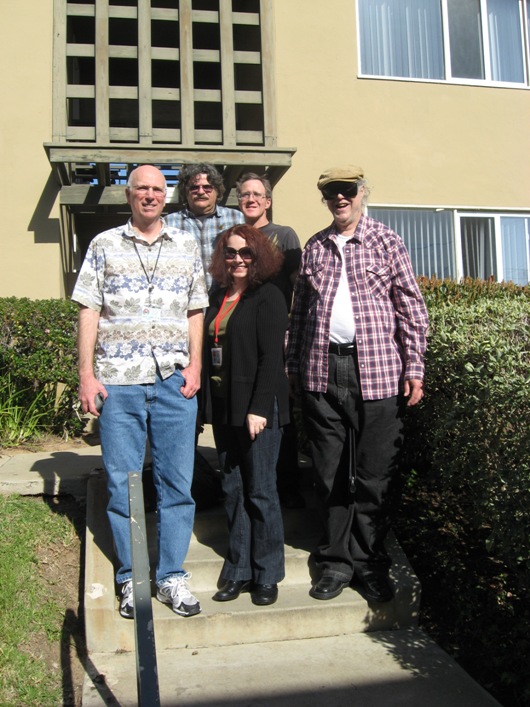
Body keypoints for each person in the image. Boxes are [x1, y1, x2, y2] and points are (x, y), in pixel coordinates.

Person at [286, 166, 429, 604]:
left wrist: (415, 367)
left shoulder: (387, 241)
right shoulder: (315, 247)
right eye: (331, 193)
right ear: (326, 200)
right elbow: (298, 314)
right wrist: (294, 368)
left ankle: (367, 563)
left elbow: (410, 306)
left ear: (362, 193)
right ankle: (334, 563)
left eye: (347, 191)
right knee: (329, 475)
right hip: (321, 371)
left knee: (373, 476)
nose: (340, 199)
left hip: (380, 373)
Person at [72, 165, 209, 619]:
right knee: (123, 484)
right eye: (141, 189)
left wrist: (195, 366)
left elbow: (195, 311)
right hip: (119, 382)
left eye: (156, 189)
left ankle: (171, 576)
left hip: (173, 382)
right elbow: (89, 311)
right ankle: (132, 578)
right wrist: (87, 375)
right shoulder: (104, 245)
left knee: (176, 484)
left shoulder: (186, 246)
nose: (149, 196)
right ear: (128, 195)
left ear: (164, 198)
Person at [202, 224, 290, 606]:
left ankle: (267, 573)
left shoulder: (268, 296)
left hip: (258, 407)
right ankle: (238, 569)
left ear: (258, 257)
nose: (237, 259)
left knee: (260, 490)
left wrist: (258, 409)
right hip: (226, 406)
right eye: (230, 253)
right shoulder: (217, 295)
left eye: (245, 253)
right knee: (233, 488)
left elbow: (273, 357)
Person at [236, 172, 305, 509]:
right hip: (243, 336)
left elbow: (298, 282)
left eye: (257, 194)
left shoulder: (284, 235)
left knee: (280, 408)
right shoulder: (234, 238)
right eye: (245, 194)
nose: (251, 199)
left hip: (277, 331)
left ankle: (286, 488)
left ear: (268, 201)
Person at [166, 163, 244, 290]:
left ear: (217, 191)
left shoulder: (236, 219)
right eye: (194, 188)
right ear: (185, 192)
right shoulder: (169, 224)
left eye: (207, 187)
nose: (201, 192)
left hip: (226, 298)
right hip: (186, 302)